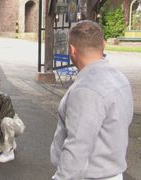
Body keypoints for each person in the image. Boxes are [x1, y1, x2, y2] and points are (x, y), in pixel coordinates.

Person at [50, 20, 133, 180]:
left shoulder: (85, 90)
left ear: (72, 50)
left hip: (90, 175)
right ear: (103, 44)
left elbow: (77, 147)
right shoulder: (119, 78)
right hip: (113, 172)